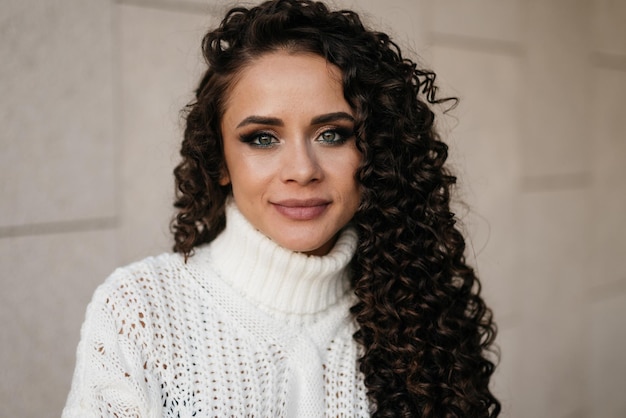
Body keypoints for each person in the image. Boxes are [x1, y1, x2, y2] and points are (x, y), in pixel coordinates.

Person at [63, 0, 500, 416]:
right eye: (262, 138)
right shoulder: (140, 311)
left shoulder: (419, 308)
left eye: (332, 134)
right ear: (219, 162)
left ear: (376, 152)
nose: (302, 170)